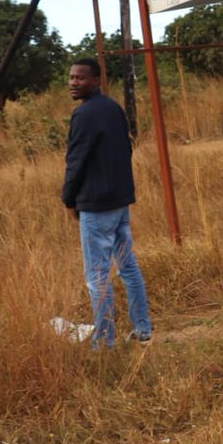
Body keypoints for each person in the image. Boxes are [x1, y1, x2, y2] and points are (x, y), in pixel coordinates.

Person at [62, 58, 152, 349]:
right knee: (127, 266)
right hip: (119, 202)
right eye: (72, 77)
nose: (74, 82)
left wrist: (68, 198)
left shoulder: (84, 114)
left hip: (97, 206)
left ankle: (103, 344)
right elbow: (126, 148)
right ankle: (142, 331)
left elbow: (76, 161)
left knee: (97, 277)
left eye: (81, 78)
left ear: (97, 80)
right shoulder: (113, 108)